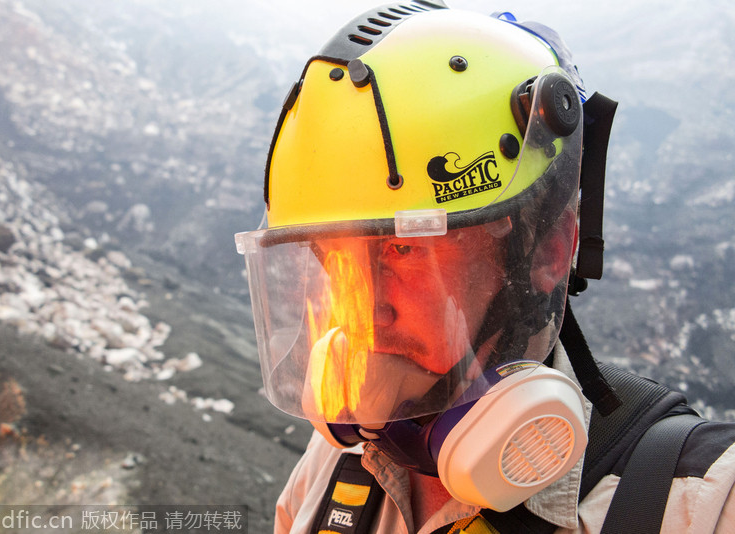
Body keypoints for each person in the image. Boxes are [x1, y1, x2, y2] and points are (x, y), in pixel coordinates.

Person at [234, 2, 735, 532]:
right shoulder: (330, 468)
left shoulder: (698, 502)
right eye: (340, 260)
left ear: (546, 252)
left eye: (404, 249)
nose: (363, 310)